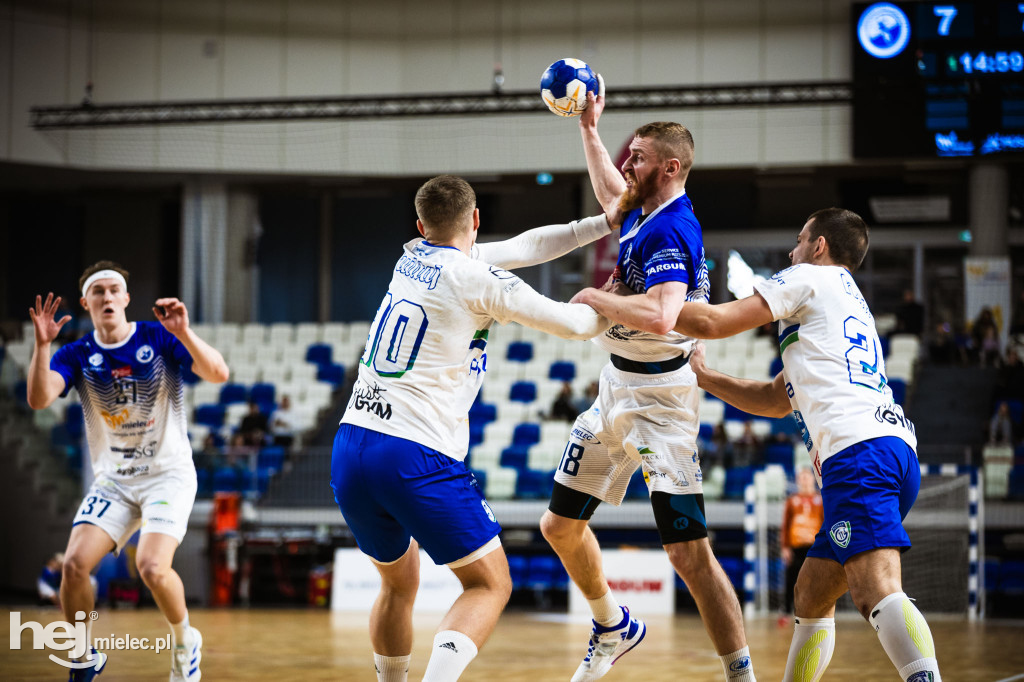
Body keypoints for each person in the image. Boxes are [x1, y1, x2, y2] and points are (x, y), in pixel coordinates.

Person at [330, 175, 617, 682]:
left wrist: (601, 224)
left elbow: (523, 248)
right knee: (489, 584)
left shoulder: (411, 258)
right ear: (476, 218)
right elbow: (574, 326)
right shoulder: (476, 278)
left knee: (398, 585)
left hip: (351, 443)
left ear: (421, 226)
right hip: (413, 451)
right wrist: (616, 300)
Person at [542, 79, 755, 682]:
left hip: (662, 404)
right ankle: (613, 626)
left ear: (670, 166)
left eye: (635, 156)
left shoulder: (672, 229)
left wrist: (594, 299)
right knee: (558, 526)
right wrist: (588, 129)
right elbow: (614, 194)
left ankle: (741, 673)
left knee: (688, 554)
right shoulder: (645, 209)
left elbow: (663, 314)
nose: (624, 164)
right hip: (615, 389)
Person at [672, 207, 941, 681]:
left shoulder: (807, 278)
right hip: (888, 449)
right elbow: (777, 399)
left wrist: (652, 305)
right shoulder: (848, 301)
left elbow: (714, 322)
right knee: (812, 591)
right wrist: (706, 378)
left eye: (799, 239)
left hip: (858, 452)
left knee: (875, 589)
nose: (792, 249)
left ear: (819, 247)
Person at [27, 261, 229, 682]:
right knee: (73, 567)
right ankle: (82, 657)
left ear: (125, 298)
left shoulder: (158, 336)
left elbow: (218, 373)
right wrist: (43, 345)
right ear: (87, 303)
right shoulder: (78, 353)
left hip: (167, 476)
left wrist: (184, 333)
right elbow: (40, 399)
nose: (105, 297)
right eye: (96, 292)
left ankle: (184, 641)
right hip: (116, 483)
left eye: (112, 289)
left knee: (153, 568)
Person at [780, 468, 823, 616]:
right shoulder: (792, 500)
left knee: (815, 580)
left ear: (812, 479)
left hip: (814, 547)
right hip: (795, 547)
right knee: (791, 580)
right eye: (801, 477)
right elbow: (785, 525)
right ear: (798, 480)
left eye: (807, 477)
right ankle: (786, 611)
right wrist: (785, 547)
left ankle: (815, 611)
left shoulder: (820, 499)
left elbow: (824, 523)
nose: (804, 480)